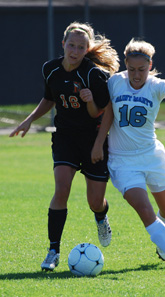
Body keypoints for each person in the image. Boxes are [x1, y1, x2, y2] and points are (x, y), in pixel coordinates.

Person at [9, 21, 119, 271]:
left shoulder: (94, 74)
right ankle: (53, 251)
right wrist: (29, 120)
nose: (75, 50)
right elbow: (49, 99)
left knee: (95, 201)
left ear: (87, 49)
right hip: (65, 138)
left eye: (81, 47)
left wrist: (99, 144)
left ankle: (101, 218)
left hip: (93, 139)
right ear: (63, 44)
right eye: (71, 45)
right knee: (61, 190)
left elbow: (100, 114)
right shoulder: (50, 69)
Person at [91, 38, 165, 268]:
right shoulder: (115, 82)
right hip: (123, 162)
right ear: (125, 64)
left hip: (151, 156)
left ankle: (163, 244)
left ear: (150, 65)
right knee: (144, 209)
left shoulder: (155, 85)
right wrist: (98, 143)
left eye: (142, 70)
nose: (136, 75)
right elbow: (109, 114)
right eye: (132, 69)